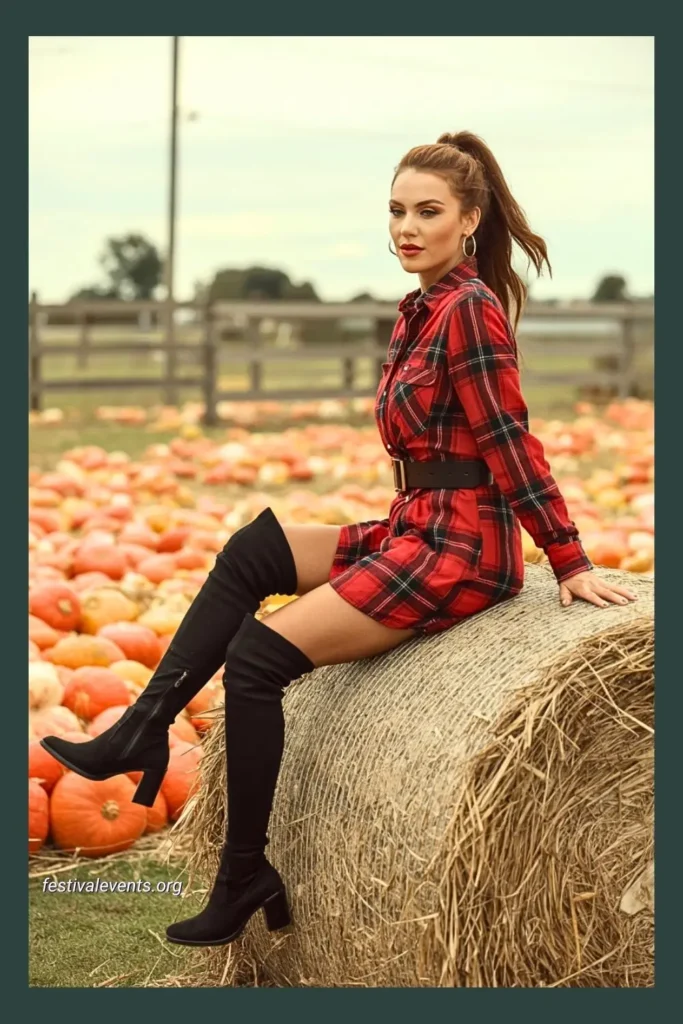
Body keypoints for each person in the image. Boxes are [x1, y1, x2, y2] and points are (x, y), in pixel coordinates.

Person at [40, 130, 638, 948]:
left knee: (256, 660)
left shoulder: (470, 312)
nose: (406, 227)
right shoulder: (420, 308)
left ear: (469, 219)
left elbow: (509, 441)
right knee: (256, 546)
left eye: (427, 212)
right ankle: (140, 730)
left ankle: (241, 872)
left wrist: (566, 559)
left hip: (458, 549)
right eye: (395, 211)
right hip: (416, 525)